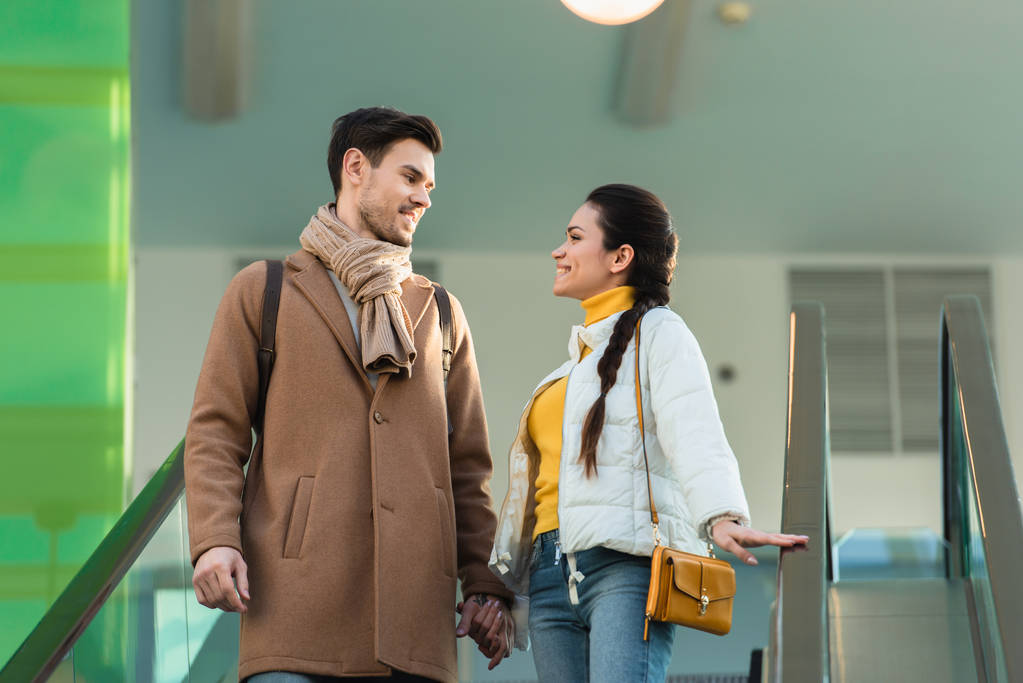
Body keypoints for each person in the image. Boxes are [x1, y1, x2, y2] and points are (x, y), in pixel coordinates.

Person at [184, 107, 511, 683]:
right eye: (411, 178)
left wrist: (483, 583)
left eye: (430, 186)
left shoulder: (440, 312)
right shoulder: (265, 291)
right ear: (355, 167)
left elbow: (468, 468)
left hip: (416, 629)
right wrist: (213, 541)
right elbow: (216, 431)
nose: (424, 198)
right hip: (293, 615)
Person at [489, 184, 808, 682]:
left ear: (621, 256)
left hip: (624, 570)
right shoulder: (569, 371)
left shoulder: (661, 332)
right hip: (550, 579)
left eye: (574, 238)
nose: (559, 250)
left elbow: (694, 426)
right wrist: (506, 588)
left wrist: (721, 515)